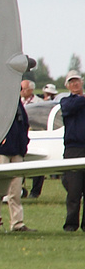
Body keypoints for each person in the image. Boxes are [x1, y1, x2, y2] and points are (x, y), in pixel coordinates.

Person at [0, 94, 30, 233]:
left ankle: (17, 223)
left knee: (15, 191)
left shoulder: (18, 104)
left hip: (17, 152)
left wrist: (23, 146)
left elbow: (24, 125)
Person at [61, 71, 85, 232]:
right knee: (74, 190)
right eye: (71, 82)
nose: (75, 84)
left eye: (77, 81)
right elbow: (70, 108)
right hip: (73, 149)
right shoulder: (66, 101)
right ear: (68, 86)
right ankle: (71, 224)